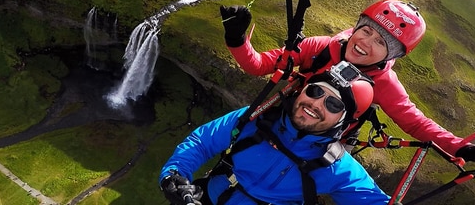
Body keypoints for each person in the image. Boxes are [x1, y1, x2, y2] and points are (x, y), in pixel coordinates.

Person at [219, 0, 475, 165]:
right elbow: (260, 66)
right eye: (366, 31)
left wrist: (463, 149)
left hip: (321, 146)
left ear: (392, 54)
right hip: (281, 120)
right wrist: (237, 39)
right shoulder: (321, 47)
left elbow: (416, 122)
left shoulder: (384, 83)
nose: (365, 42)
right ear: (357, 26)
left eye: (381, 42)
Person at [159, 65, 391, 205]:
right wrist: (175, 175)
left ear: (344, 122)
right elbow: (203, 141)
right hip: (203, 199)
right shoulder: (257, 117)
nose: (316, 104)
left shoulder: (338, 168)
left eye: (332, 104)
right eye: (315, 91)